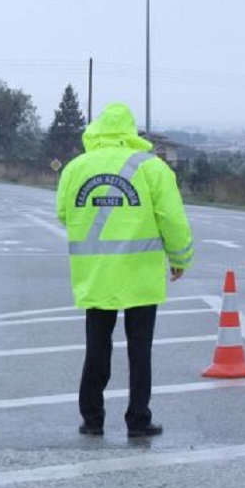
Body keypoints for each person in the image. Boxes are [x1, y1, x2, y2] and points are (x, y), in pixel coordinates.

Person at [56, 103, 194, 438]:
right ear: (131, 131)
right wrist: (180, 258)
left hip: (97, 274)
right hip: (139, 275)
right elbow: (171, 218)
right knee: (139, 351)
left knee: (97, 349)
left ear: (99, 129)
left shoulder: (76, 168)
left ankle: (92, 419)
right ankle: (138, 419)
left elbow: (63, 213)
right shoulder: (152, 168)